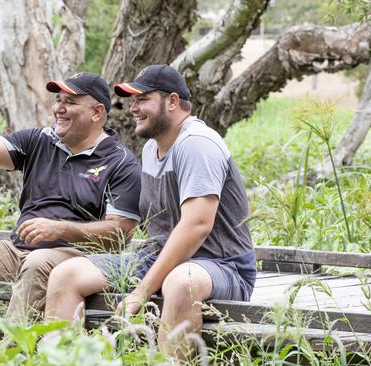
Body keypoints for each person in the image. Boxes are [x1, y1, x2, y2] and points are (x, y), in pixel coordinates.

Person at [45, 65, 256, 356]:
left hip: (222, 265)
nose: (133, 108)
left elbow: (197, 226)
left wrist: (141, 292)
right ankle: (60, 360)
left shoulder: (196, 144)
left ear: (172, 102)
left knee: (182, 282)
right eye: (132, 101)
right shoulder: (151, 150)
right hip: (158, 257)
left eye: (142, 99)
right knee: (66, 275)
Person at [0, 72, 141, 331]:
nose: (59, 108)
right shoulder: (38, 141)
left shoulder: (121, 162)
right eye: (58, 99)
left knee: (37, 263)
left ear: (97, 112)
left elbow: (120, 233)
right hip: (17, 250)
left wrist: (61, 229)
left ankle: (9, 355)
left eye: (71, 102)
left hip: (78, 257)